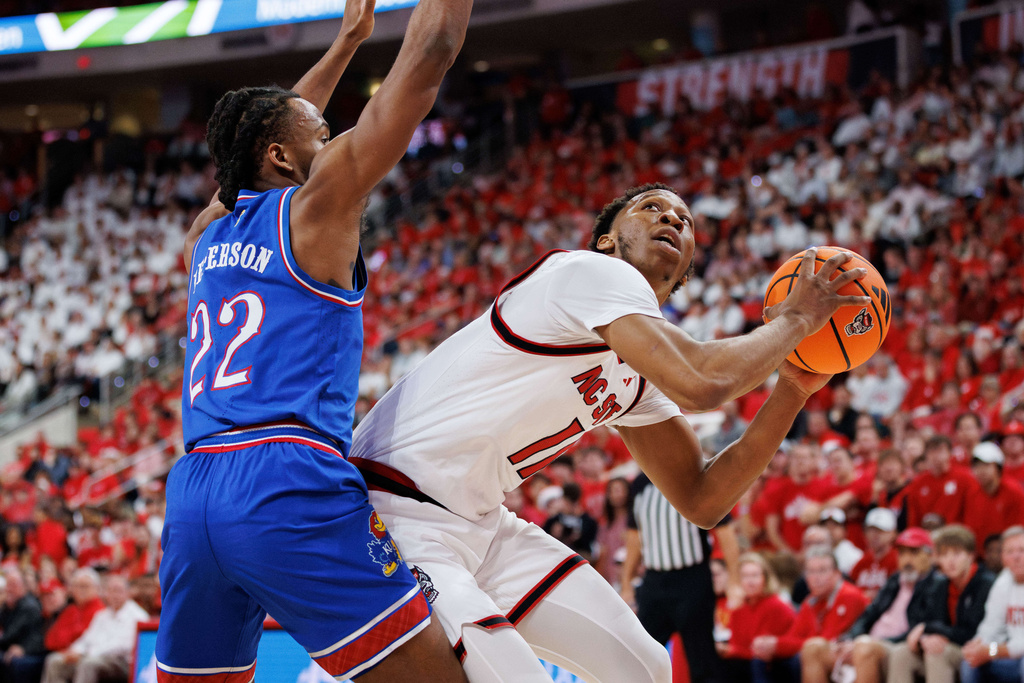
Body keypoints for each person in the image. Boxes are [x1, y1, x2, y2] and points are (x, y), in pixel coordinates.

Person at [351, 184, 871, 682]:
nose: (672, 218)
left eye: (685, 221)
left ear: (687, 264)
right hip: (390, 512)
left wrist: (793, 390)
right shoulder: (586, 271)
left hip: (480, 523)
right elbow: (703, 382)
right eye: (651, 207)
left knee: (645, 668)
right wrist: (799, 318)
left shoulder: (639, 374)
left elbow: (703, 498)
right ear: (606, 239)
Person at [155, 0, 473, 680]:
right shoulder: (318, 205)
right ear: (281, 155)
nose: (331, 141)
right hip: (285, 479)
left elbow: (261, 133)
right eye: (321, 133)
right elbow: (432, 52)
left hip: (193, 490)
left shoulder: (204, 238)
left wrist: (348, 42)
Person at [621, 472, 741, 683]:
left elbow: (725, 531)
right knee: (641, 655)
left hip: (692, 579)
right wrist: (626, 584)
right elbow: (634, 537)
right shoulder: (640, 484)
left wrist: (734, 580)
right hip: (653, 581)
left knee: (701, 657)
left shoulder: (696, 473)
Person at [801, 527, 936, 683]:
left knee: (864, 648)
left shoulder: (936, 585)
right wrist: (849, 639)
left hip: (897, 646)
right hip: (867, 643)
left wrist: (869, 642)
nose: (907, 560)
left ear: (929, 555)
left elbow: (920, 628)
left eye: (913, 553)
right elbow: (868, 615)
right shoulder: (895, 580)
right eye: (902, 553)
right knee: (813, 647)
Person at [889, 524, 996, 683]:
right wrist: (924, 638)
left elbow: (971, 633)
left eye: (957, 554)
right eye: (944, 555)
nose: (950, 561)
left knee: (938, 652)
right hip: (951, 646)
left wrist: (928, 629)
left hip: (984, 650)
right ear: (937, 559)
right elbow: (932, 621)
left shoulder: (985, 584)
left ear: (971, 555)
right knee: (901, 653)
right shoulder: (941, 584)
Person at [750, 546, 867, 683]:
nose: (816, 577)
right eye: (811, 571)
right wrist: (770, 644)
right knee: (760, 660)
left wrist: (777, 645)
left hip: (842, 657)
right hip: (815, 654)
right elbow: (794, 636)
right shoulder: (810, 601)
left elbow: (826, 643)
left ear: (837, 574)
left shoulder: (850, 596)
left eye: (822, 570)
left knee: (800, 659)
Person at [41, 574, 148, 683]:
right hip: (94, 657)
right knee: (54, 661)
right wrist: (75, 651)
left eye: (118, 590)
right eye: (110, 590)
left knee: (88, 664)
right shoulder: (102, 615)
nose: (114, 595)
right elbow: (87, 638)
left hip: (122, 663)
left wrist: (86, 654)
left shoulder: (137, 616)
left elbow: (123, 646)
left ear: (128, 592)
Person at [718, 553, 796, 683]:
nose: (750, 581)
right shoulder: (738, 608)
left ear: (765, 578)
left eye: (755, 575)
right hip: (746, 663)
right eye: (745, 576)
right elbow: (736, 645)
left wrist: (732, 651)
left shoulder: (776, 605)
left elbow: (762, 651)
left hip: (776, 665)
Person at [960, 526, 1024, 683]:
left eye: (1022, 550)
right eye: (1009, 551)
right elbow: (990, 627)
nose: (1016, 556)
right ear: (1002, 557)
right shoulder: (1003, 581)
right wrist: (977, 645)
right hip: (1011, 656)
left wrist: (992, 650)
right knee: (970, 661)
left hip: (1018, 656)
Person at [963, 442, 1024, 556]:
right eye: (977, 466)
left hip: (1009, 555)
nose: (981, 470)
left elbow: (1019, 529)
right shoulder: (972, 493)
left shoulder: (1013, 492)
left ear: (998, 467)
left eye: (986, 465)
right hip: (981, 556)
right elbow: (970, 528)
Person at [849, 507, 900, 601]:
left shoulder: (897, 560)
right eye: (871, 530)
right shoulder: (861, 562)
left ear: (893, 533)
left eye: (880, 531)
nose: (874, 535)